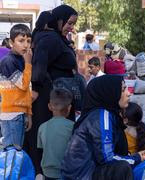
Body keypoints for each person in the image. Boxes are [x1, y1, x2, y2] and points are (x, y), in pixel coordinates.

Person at [62, 75, 145, 180]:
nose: (128, 93)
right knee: (122, 168)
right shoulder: (101, 115)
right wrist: (136, 158)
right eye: (123, 90)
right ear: (110, 93)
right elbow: (107, 158)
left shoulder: (108, 115)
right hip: (81, 176)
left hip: (87, 172)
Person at [26, 5, 78, 175]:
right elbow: (39, 64)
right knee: (45, 135)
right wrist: (35, 89)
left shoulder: (57, 38)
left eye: (73, 24)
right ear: (59, 20)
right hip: (48, 96)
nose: (71, 27)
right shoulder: (51, 39)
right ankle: (40, 171)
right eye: (69, 23)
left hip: (58, 94)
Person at [0, 24, 32, 147]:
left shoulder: (20, 59)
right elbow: (24, 85)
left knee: (16, 152)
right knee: (13, 153)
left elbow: (26, 91)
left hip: (19, 113)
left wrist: (28, 114)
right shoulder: (9, 61)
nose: (25, 45)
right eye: (21, 41)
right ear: (11, 42)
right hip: (11, 114)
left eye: (28, 41)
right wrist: (28, 63)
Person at [37, 88, 74, 180]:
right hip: (67, 170)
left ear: (49, 106)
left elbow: (40, 150)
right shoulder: (73, 126)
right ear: (69, 107)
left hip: (47, 172)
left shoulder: (42, 127)